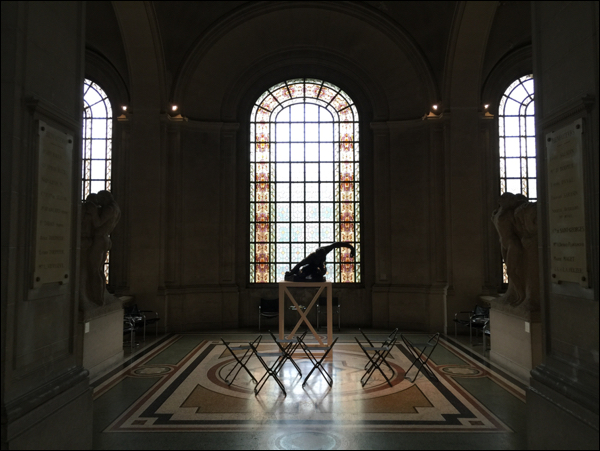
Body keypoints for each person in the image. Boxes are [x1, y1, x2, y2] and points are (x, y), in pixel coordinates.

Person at [491, 192, 528, 306]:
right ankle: (515, 294)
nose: (500, 199)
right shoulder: (496, 213)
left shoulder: (510, 214)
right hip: (504, 244)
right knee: (512, 271)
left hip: (513, 244)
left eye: (504, 198)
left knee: (511, 271)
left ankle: (522, 296)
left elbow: (520, 229)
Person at [85, 190, 121, 305]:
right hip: (105, 239)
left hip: (100, 239)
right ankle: (100, 295)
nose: (99, 203)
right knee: (98, 269)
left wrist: (93, 212)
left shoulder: (109, 209)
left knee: (94, 269)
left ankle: (98, 298)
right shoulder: (116, 208)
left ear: (105, 198)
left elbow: (98, 223)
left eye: (100, 200)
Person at [286, 242, 355, 282]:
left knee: (321, 273)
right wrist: (291, 272)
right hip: (311, 267)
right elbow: (300, 264)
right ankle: (300, 275)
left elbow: (337, 244)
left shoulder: (325, 250)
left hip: (319, 266)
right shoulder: (311, 257)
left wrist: (351, 247)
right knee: (303, 274)